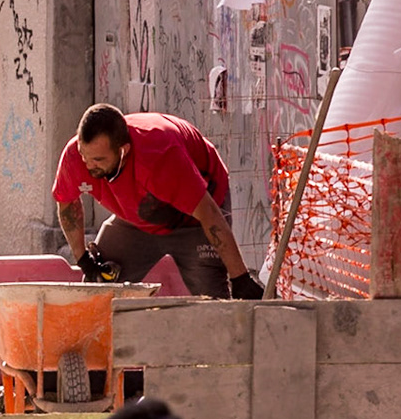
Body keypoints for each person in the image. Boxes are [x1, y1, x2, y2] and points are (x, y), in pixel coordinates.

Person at [53, 104, 264, 300]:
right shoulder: (74, 157)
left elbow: (209, 213)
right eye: (85, 155)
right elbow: (67, 205)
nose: (88, 166)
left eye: (98, 160)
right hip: (137, 218)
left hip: (195, 220)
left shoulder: (159, 156)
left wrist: (240, 278)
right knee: (96, 288)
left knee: (213, 302)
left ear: (123, 151)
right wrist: (84, 260)